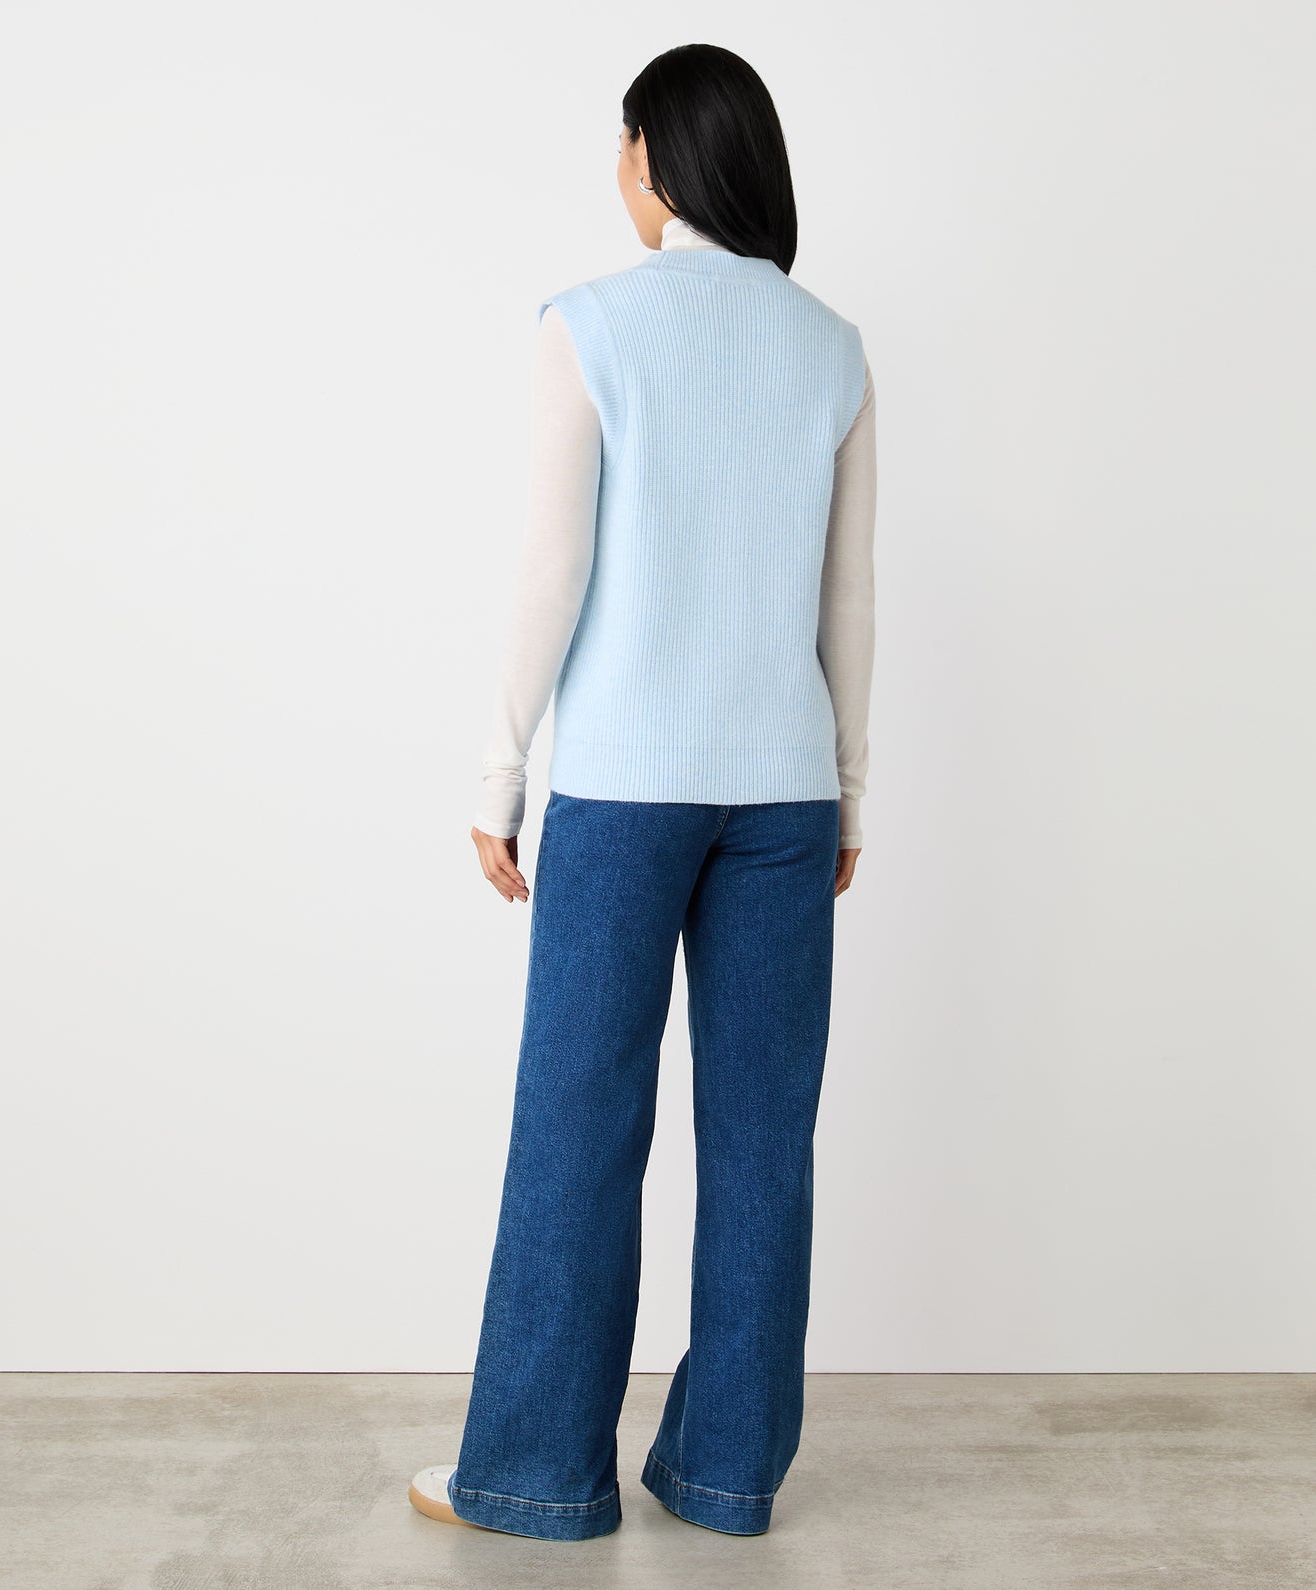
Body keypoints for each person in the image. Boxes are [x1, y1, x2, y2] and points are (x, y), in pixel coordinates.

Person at [409, 41, 877, 1542]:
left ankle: (538, 1472)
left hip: (621, 787)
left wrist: (499, 762)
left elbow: (553, 565)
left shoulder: (590, 325)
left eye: (623, 149)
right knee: (760, 1137)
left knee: (577, 1121)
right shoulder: (832, 347)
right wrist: (849, 791)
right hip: (783, 793)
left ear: (653, 163)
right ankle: (727, 1475)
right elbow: (847, 599)